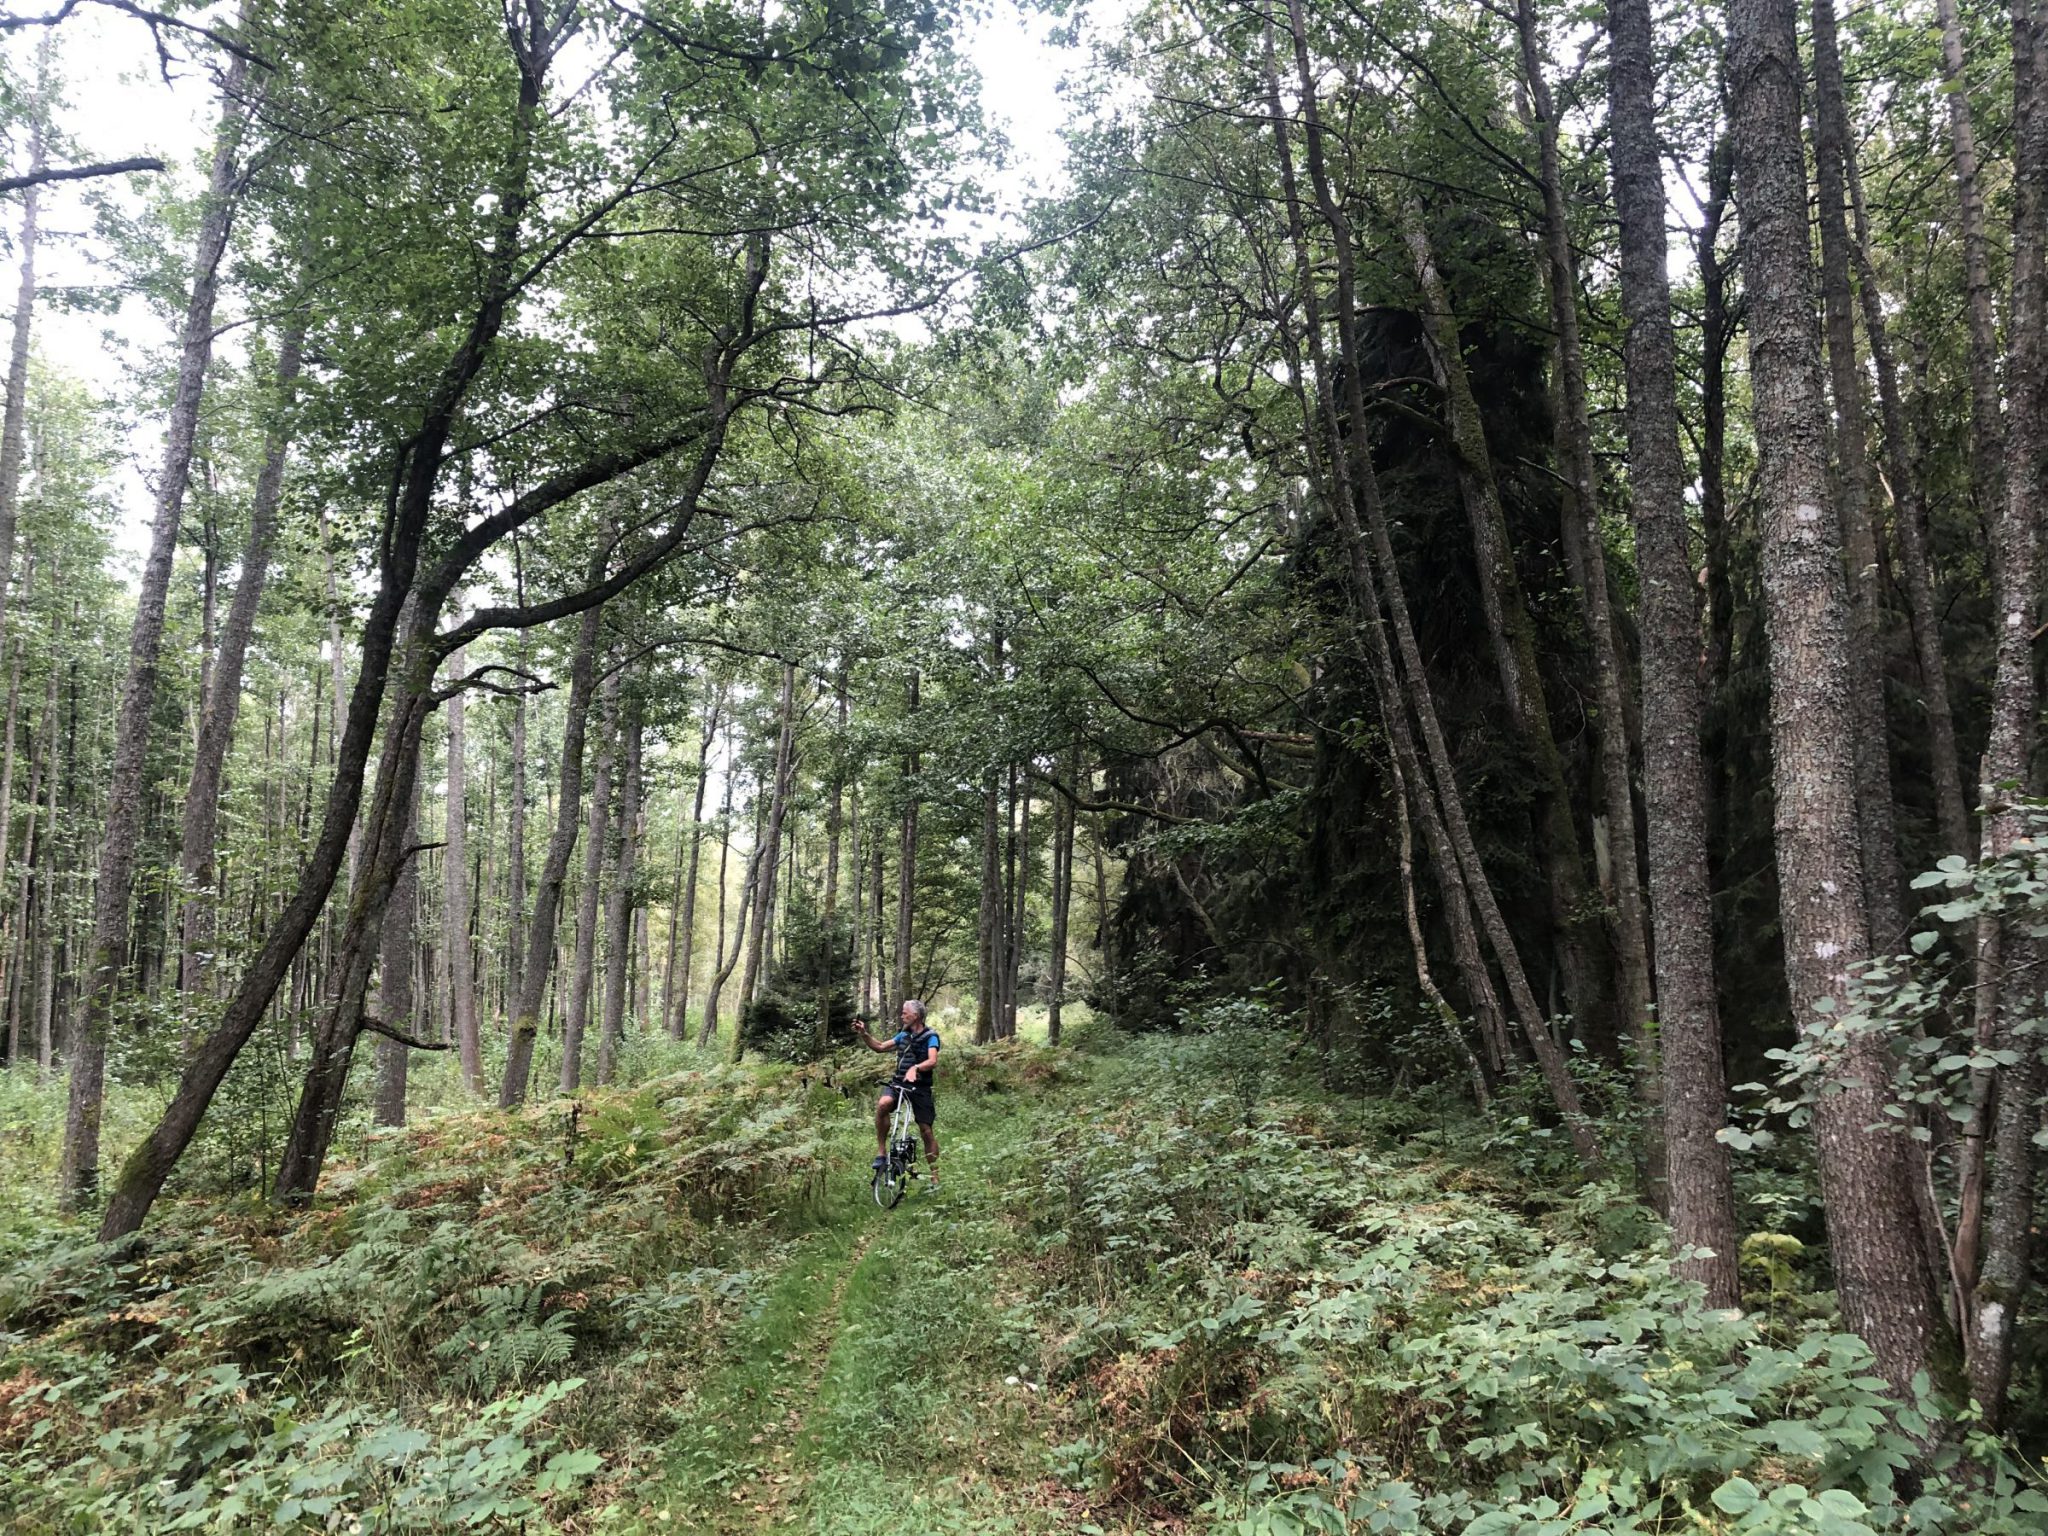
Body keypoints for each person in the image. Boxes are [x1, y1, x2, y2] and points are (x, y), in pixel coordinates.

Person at [855, 999, 940, 1191]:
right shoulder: (903, 1035)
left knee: (926, 1131)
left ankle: (934, 1175)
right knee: (883, 1104)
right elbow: (880, 1047)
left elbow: (932, 1060)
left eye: (905, 1013)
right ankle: (882, 1152)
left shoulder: (931, 1036)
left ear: (916, 1016)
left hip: (920, 1086)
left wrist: (916, 1068)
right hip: (899, 1082)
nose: (902, 1015)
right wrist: (864, 1033)